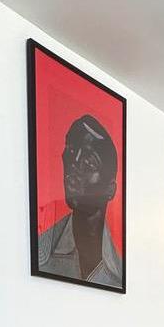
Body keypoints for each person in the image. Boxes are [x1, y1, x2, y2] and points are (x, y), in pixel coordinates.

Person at [37, 115, 123, 288]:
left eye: (89, 163)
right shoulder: (40, 251)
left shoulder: (120, 272)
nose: (73, 167)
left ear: (110, 189)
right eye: (70, 153)